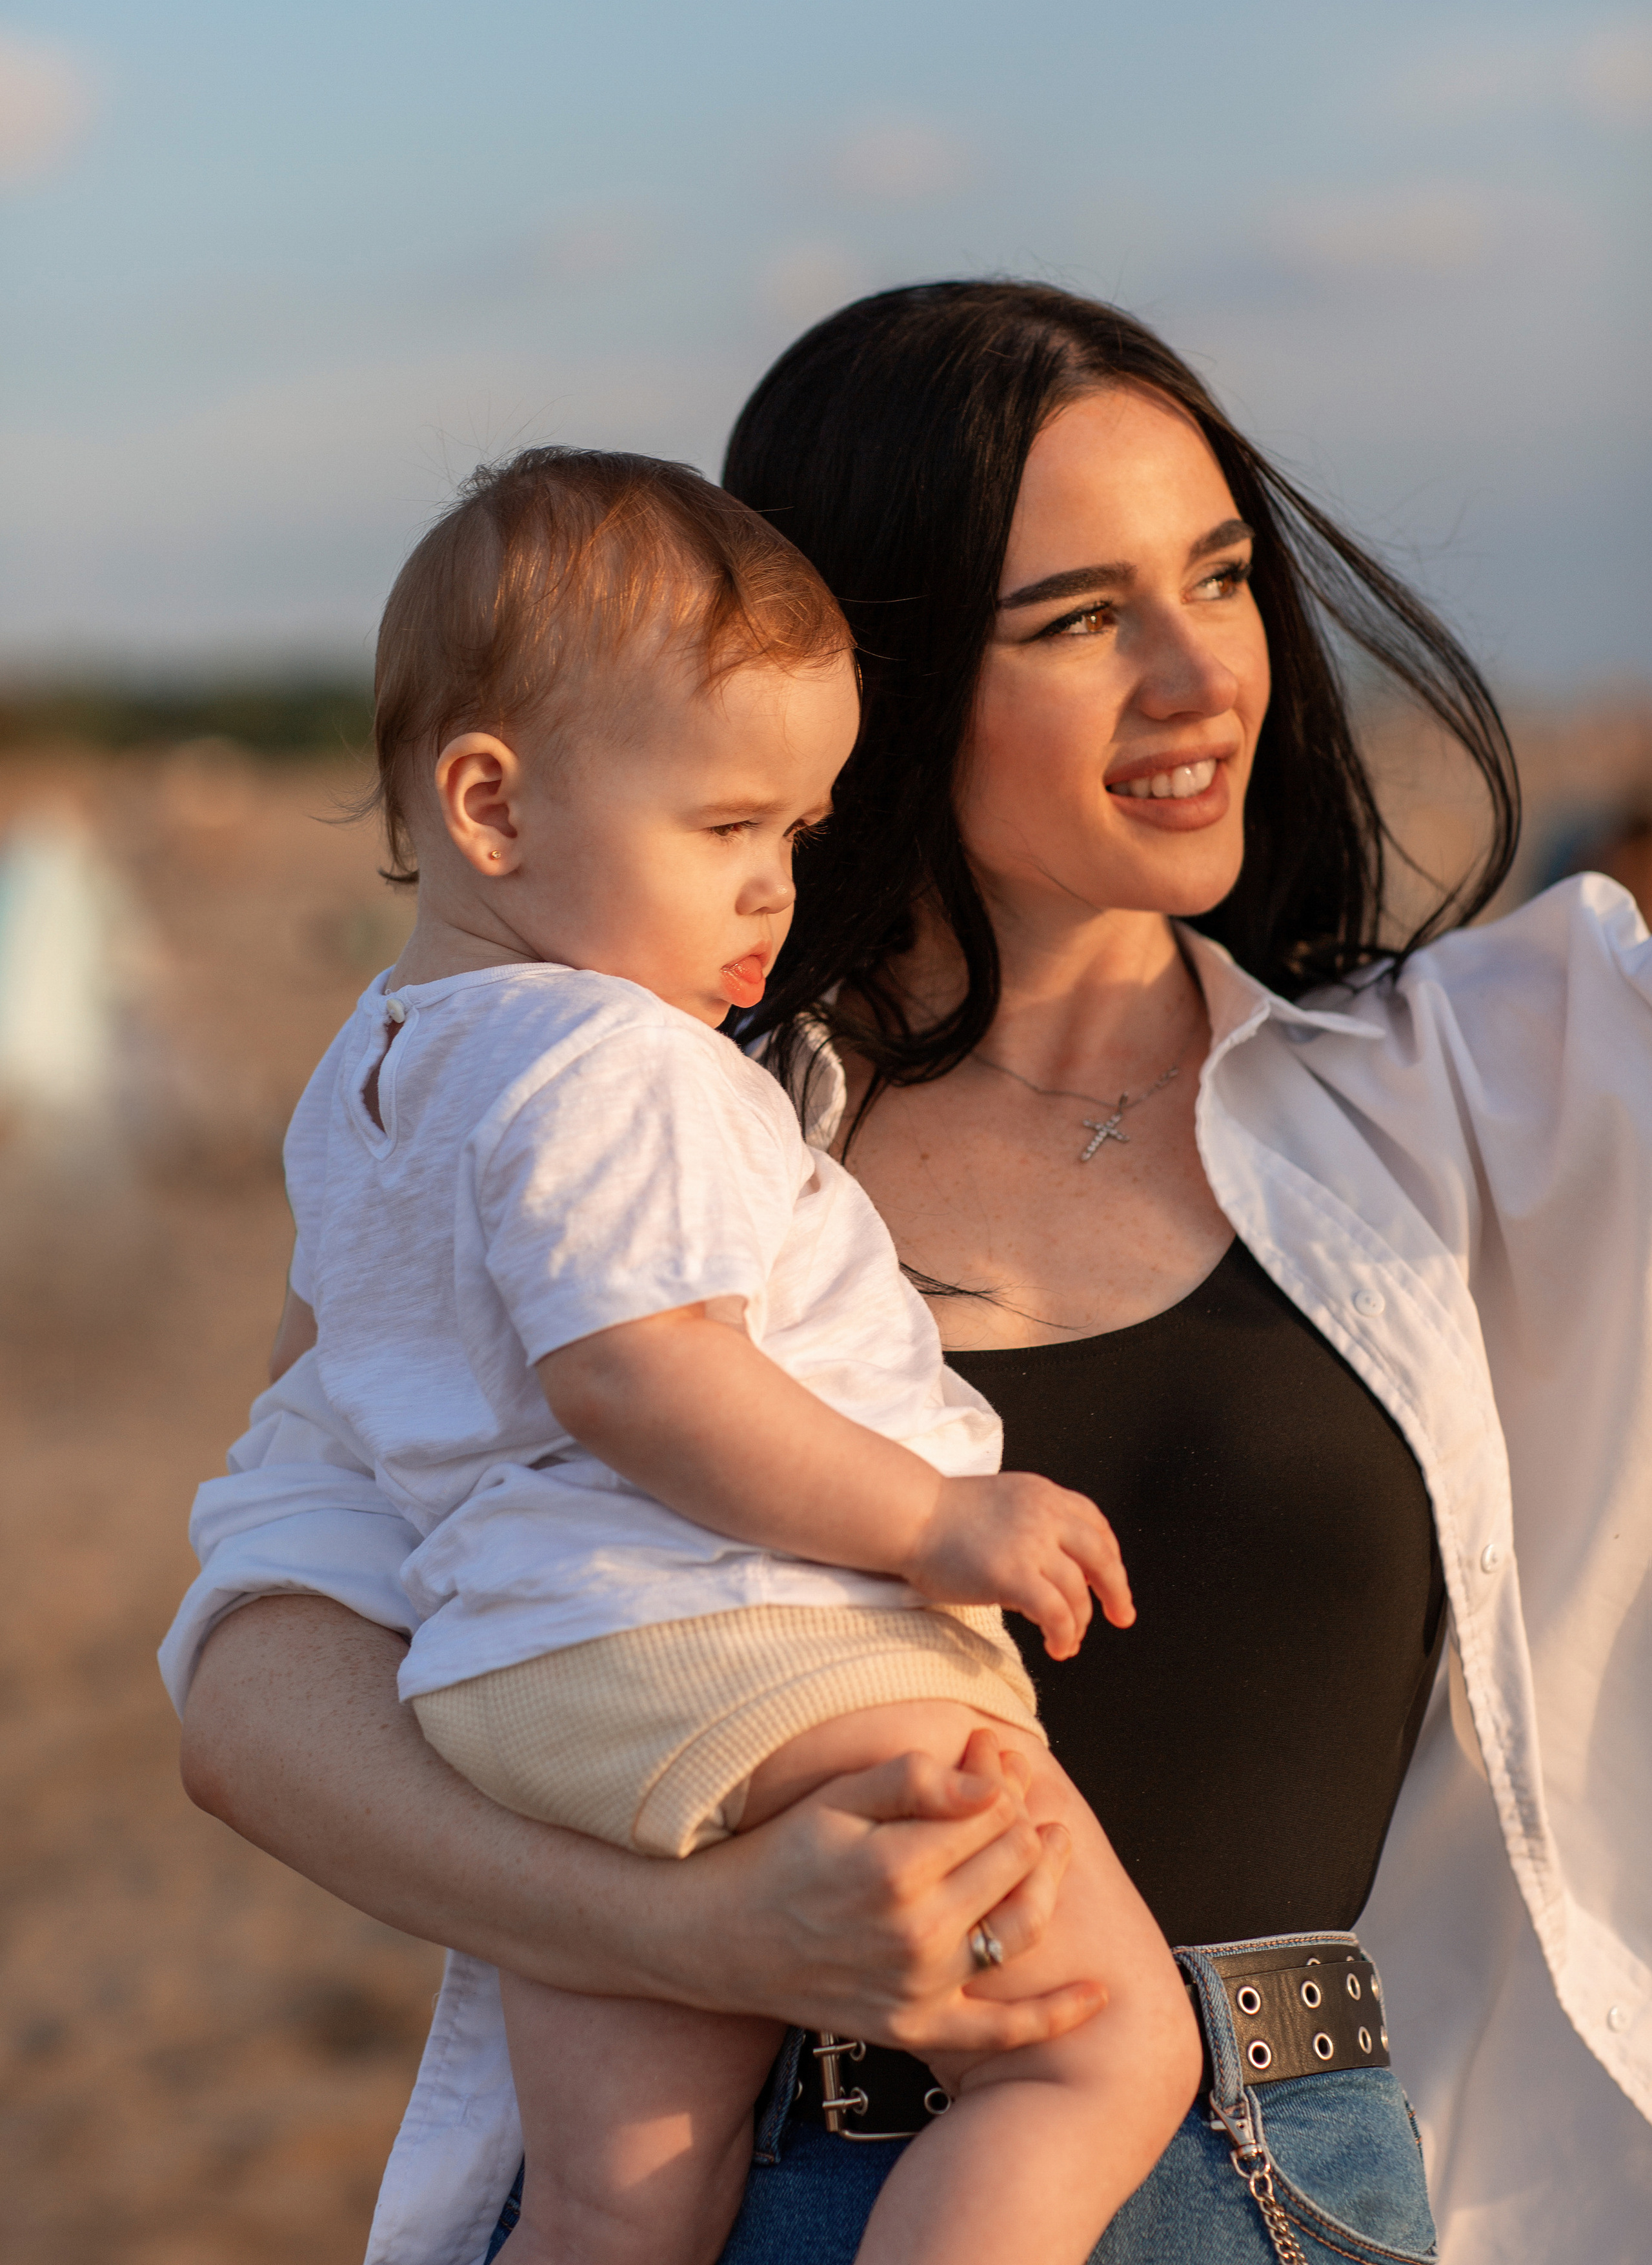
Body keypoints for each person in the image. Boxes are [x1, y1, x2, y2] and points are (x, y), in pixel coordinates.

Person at [165, 281, 1652, 2265]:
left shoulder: (1488, 1084)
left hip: (1320, 2196)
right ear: (879, 673)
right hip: (767, 2179)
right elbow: (258, 1689)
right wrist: (692, 1932)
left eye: (1219, 580)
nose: (1199, 675)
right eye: (1075, 617)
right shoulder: (602, 1125)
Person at [262, 441, 1196, 2265]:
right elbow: (642, 1370)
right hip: (763, 1646)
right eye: (723, 830)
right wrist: (939, 1521)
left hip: (519, 1689)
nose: (772, 890)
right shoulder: (614, 1058)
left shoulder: (371, 1078)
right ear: (490, 804)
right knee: (1102, 2052)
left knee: (623, 2195)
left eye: (796, 832)